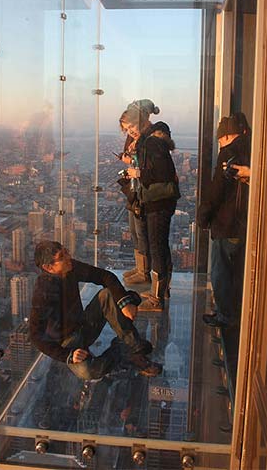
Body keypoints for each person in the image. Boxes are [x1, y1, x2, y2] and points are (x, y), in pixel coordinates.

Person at [28, 240, 162, 381]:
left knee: (106, 295)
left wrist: (124, 302)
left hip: (83, 325)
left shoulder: (71, 268)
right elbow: (36, 335)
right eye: (61, 257)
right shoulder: (43, 292)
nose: (68, 257)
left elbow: (104, 276)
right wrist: (67, 355)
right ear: (48, 267)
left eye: (66, 251)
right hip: (67, 343)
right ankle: (123, 348)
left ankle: (134, 350)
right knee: (90, 372)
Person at [120, 99, 180, 309]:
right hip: (159, 201)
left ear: (143, 120)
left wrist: (138, 173)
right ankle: (160, 292)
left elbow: (161, 172)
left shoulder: (152, 142)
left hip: (158, 201)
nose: (130, 132)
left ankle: (157, 299)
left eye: (132, 127)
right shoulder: (150, 140)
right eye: (127, 129)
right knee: (159, 246)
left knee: (157, 247)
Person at [197, 113, 251, 329]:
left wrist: (203, 216)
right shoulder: (254, 150)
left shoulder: (228, 153)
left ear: (227, 136)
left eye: (220, 139)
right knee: (236, 272)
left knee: (220, 272)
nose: (219, 143)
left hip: (227, 223)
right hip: (243, 223)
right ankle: (234, 313)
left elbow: (216, 191)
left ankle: (226, 316)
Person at [118, 135, 150, 286]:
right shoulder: (135, 139)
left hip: (141, 193)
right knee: (134, 230)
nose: (129, 132)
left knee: (140, 231)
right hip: (134, 191)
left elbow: (147, 167)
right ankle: (139, 268)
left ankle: (144, 272)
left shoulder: (148, 141)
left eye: (130, 128)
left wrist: (131, 160)